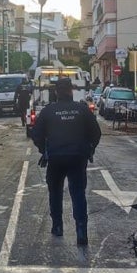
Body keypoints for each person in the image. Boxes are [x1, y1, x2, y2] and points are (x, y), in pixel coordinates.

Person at [31, 77, 101, 246]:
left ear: (56, 92)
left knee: (55, 192)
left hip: (55, 158)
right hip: (78, 157)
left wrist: (44, 150)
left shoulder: (48, 111)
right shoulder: (82, 110)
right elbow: (96, 133)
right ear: (71, 91)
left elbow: (36, 134)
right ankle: (81, 230)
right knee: (78, 193)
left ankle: (57, 226)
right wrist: (89, 149)